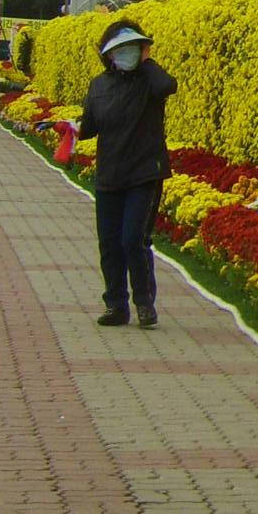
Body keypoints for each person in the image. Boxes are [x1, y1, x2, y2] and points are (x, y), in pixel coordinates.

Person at [77, 18, 176, 328]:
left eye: (134, 48)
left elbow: (168, 86)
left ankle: (144, 303)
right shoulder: (99, 86)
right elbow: (88, 128)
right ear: (109, 54)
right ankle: (116, 304)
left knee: (132, 239)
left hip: (144, 173)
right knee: (109, 242)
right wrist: (69, 130)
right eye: (121, 49)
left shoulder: (149, 81)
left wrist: (147, 62)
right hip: (110, 174)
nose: (127, 54)